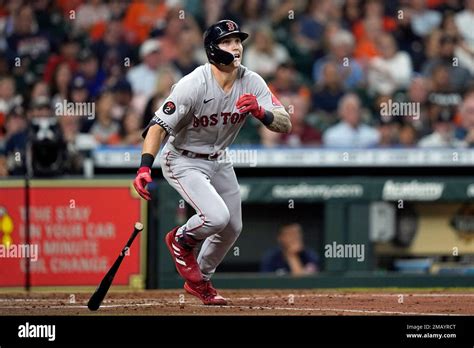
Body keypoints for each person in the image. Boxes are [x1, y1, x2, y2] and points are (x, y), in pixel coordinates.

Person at [133, 20, 291, 305]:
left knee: (232, 228)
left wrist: (261, 112)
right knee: (216, 217)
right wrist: (145, 167)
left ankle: (200, 281)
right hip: (182, 159)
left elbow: (285, 123)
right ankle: (180, 239)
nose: (236, 46)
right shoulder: (193, 84)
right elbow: (157, 127)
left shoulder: (252, 81)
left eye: (238, 41)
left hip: (219, 158)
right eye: (228, 42)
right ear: (212, 50)